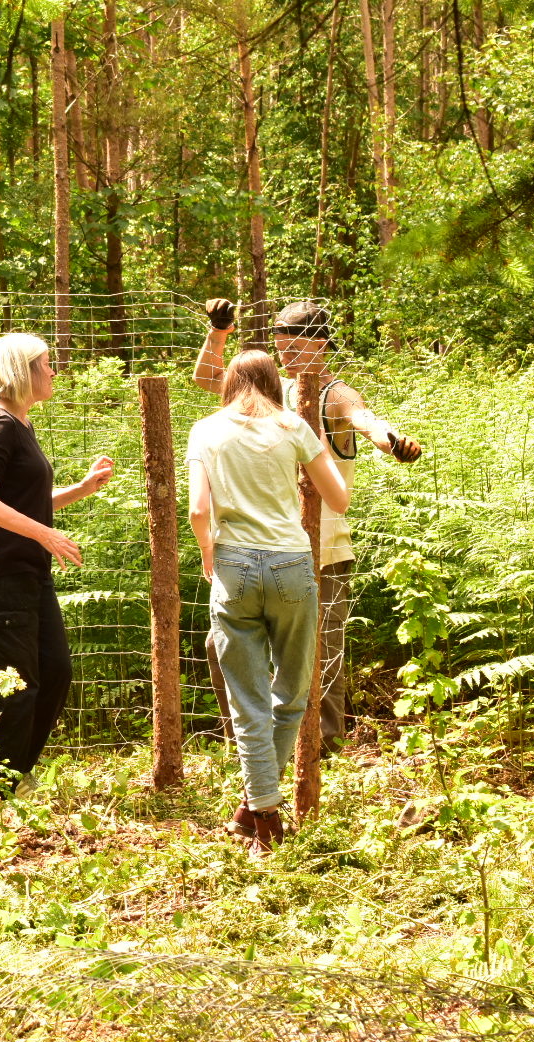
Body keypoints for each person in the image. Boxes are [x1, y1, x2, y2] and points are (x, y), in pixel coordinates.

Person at [194, 299, 423, 754]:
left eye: (294, 345)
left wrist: (389, 441)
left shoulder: (333, 393)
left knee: (320, 656)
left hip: (324, 550)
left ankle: (322, 752)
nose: (286, 356)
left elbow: (363, 418)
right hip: (264, 550)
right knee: (220, 648)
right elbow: (206, 380)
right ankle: (248, 744)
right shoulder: (271, 391)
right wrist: (218, 333)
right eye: (280, 346)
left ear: (321, 344)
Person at [187, 349, 350, 855]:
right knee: (293, 694)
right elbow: (338, 498)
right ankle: (264, 814)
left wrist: (208, 555)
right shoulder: (293, 427)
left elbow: (197, 509)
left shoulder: (205, 430)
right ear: (274, 383)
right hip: (291, 567)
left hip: (234, 565)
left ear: (230, 384)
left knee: (247, 700)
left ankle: (258, 812)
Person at [0, 333, 114, 798]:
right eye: (47, 363)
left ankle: (14, 777)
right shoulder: (0, 424)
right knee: (14, 686)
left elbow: (21, 499)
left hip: (26, 569)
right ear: (24, 370)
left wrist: (81, 489)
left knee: (55, 672)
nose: (54, 371)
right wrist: (44, 533)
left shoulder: (20, 423)